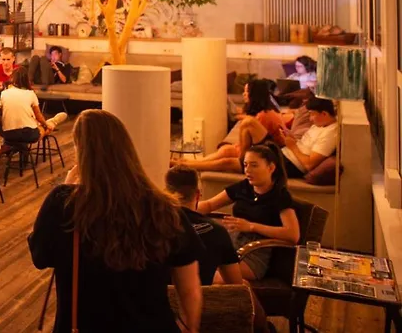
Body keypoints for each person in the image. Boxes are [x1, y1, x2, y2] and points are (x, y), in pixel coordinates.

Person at [29, 110, 203, 333]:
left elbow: (41, 257)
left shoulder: (63, 204)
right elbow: (189, 290)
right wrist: (191, 328)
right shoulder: (166, 210)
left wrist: (67, 188)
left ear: (81, 152)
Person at [197, 144, 299, 281]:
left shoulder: (280, 195)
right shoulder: (244, 187)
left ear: (271, 168)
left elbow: (292, 234)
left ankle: (242, 291)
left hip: (253, 253)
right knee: (190, 264)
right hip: (231, 244)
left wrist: (251, 226)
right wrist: (184, 209)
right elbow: (209, 204)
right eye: (245, 165)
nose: (248, 170)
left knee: (207, 276)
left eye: (254, 165)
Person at [178, 80, 286, 173]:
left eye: (247, 91)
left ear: (254, 94)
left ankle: (188, 165)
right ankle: (195, 162)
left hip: (271, 154)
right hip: (265, 150)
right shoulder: (263, 112)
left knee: (226, 160)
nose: (244, 94)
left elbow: (255, 145)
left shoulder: (264, 116)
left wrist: (237, 150)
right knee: (226, 150)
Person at [164, 166, 242, 286]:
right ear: (197, 195)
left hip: (155, 296)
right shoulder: (217, 231)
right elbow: (236, 284)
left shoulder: (150, 226)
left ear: (165, 193)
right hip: (202, 296)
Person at [0, 67, 67, 146]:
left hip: (8, 135)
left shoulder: (4, 93)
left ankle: (50, 122)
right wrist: (45, 124)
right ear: (26, 79)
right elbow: (38, 116)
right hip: (29, 134)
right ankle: (53, 122)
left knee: (33, 124)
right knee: (44, 128)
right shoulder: (30, 93)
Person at [279, 96, 338, 178]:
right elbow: (305, 145)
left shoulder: (331, 134)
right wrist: (292, 139)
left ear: (324, 114)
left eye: (312, 114)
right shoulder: (319, 125)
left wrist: (293, 147)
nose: (310, 119)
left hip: (292, 164)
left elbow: (309, 165)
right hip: (285, 155)